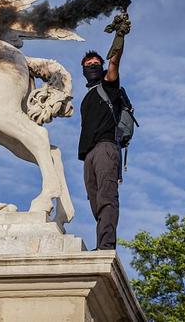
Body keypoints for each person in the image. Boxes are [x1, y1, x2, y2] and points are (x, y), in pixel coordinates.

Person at [78, 22, 128, 250]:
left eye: (96, 64)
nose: (92, 66)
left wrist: (120, 36)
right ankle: (102, 242)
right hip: (89, 155)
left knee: (107, 198)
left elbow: (114, 62)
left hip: (106, 149)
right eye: (88, 65)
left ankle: (106, 246)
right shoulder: (87, 97)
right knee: (96, 202)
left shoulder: (108, 87)